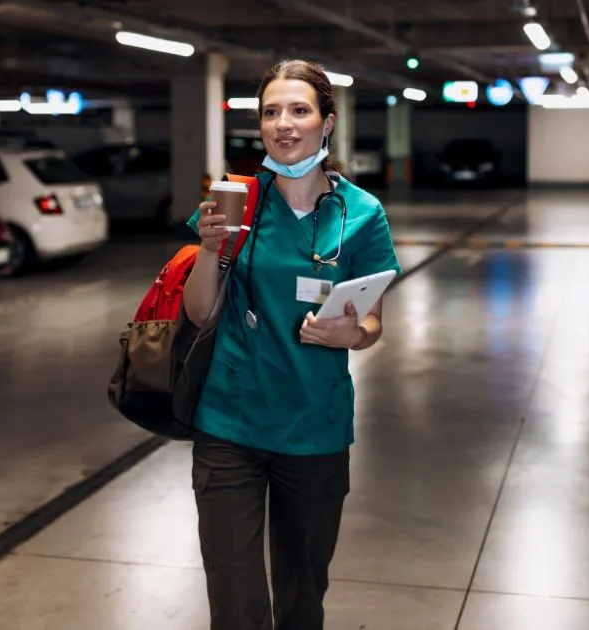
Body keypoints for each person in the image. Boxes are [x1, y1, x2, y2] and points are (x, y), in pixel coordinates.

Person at [182, 59, 402, 630]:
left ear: (326, 123)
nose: (283, 123)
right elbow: (200, 311)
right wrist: (210, 248)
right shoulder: (236, 201)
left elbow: (372, 323)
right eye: (271, 111)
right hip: (230, 420)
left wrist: (351, 333)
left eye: (299, 110)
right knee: (234, 599)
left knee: (303, 593)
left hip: (314, 426)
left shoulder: (362, 214)